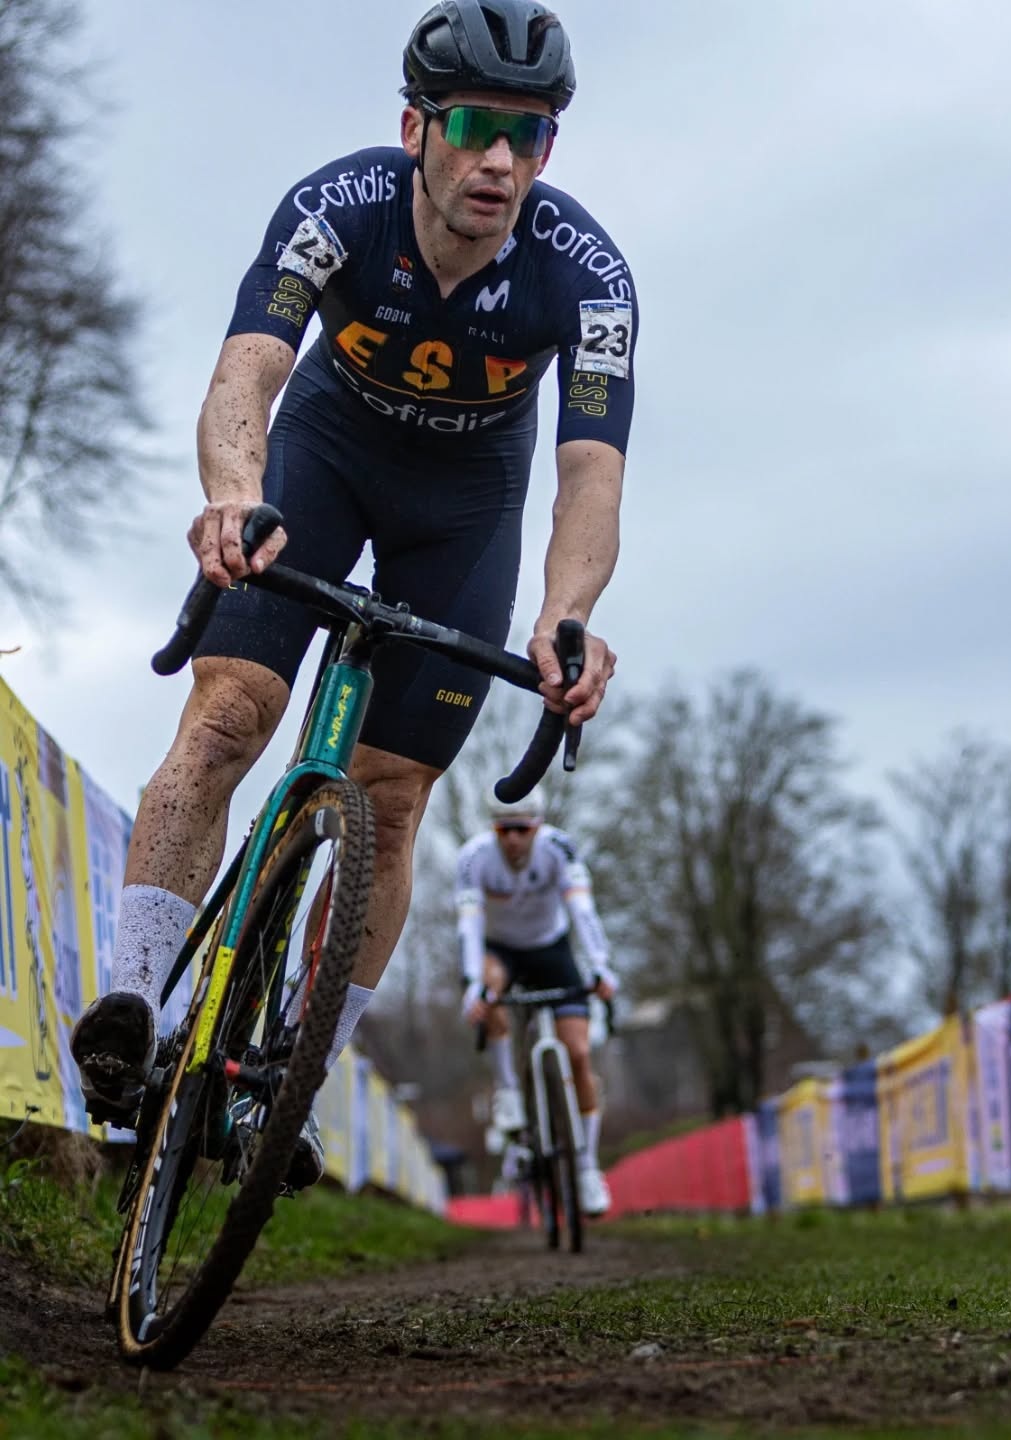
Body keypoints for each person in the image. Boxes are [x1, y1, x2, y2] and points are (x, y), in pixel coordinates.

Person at [69, 0, 635, 1192]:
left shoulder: (587, 278)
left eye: (529, 138)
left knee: (389, 798)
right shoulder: (341, 207)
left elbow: (589, 475)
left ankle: (296, 1083)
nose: (499, 161)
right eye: (476, 126)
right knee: (227, 715)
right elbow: (250, 370)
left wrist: (564, 616)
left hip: (465, 512)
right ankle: (132, 1003)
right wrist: (234, 495)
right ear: (415, 125)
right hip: (323, 463)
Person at [457, 784, 617, 1215]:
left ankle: (586, 1169)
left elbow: (583, 911)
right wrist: (474, 983)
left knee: (579, 1054)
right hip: (501, 953)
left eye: (521, 829)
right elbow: (469, 927)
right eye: (503, 829)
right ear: (493, 828)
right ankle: (508, 1090)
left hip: (552, 951)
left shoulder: (559, 849)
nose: (512, 839)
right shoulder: (474, 858)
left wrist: (600, 965)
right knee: (490, 991)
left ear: (538, 827)